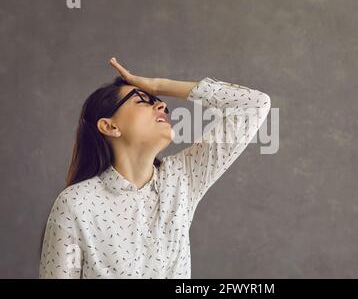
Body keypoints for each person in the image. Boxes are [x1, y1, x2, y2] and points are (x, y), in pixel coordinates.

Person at [39, 57, 271, 278]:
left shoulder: (182, 179)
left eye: (157, 99)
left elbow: (253, 105)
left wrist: (158, 85)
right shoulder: (76, 204)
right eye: (142, 101)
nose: (162, 105)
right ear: (110, 126)